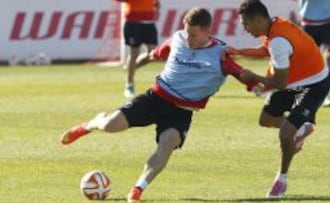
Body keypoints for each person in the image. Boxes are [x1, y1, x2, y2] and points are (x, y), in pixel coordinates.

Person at [60, 7, 256, 203]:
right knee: (110, 126)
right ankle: (89, 125)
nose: (189, 39)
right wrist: (135, 65)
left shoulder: (220, 55)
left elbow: (242, 74)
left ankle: (137, 190)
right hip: (155, 98)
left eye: (194, 35)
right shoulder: (178, 39)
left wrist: (259, 84)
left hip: (181, 111)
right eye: (187, 33)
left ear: (207, 31)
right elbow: (155, 54)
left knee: (168, 143)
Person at [226, 0, 330, 198]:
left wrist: (254, 77)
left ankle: (281, 180)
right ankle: (301, 128)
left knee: (285, 134)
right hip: (295, 79)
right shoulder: (274, 25)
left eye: (246, 24)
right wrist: (239, 51)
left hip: (314, 84)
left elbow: (279, 83)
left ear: (258, 20)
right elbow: (267, 50)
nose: (245, 29)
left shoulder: (279, 41)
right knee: (266, 120)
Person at [118, 0, 160, 98]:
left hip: (149, 22)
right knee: (134, 53)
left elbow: (156, 4)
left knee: (153, 53)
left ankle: (130, 68)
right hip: (133, 21)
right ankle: (129, 85)